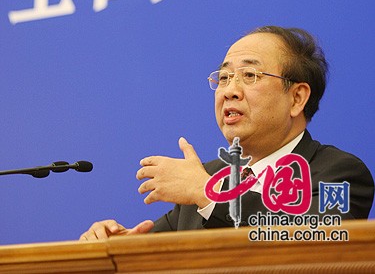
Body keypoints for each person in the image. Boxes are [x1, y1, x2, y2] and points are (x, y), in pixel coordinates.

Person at [80, 26, 374, 240]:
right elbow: (156, 252)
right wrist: (121, 245)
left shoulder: (340, 173)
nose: (230, 91)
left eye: (250, 76)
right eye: (223, 78)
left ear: (297, 98)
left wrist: (210, 195)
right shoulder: (209, 176)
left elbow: (315, 241)